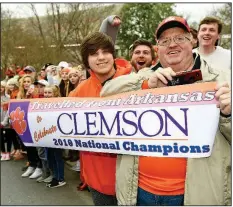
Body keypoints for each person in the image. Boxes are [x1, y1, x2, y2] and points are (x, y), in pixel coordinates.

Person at [100, 16, 231, 205]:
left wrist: (228, 114)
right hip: (139, 193)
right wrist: (146, 84)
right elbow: (104, 94)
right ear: (158, 49)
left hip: (195, 196)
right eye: (165, 41)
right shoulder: (146, 76)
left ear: (192, 41)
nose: (172, 45)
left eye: (179, 38)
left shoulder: (223, 79)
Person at [70, 31, 132, 205]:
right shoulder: (77, 93)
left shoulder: (135, 82)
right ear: (86, 61)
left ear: (113, 55)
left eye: (105, 51)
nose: (101, 58)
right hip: (98, 182)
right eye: (94, 54)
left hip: (133, 181)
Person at [43, 85, 66, 188]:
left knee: (57, 157)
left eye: (49, 92)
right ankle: (55, 176)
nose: (47, 95)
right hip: (46, 135)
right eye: (45, 92)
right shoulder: (42, 104)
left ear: (55, 94)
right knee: (50, 157)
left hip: (57, 136)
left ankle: (60, 178)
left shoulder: (59, 104)